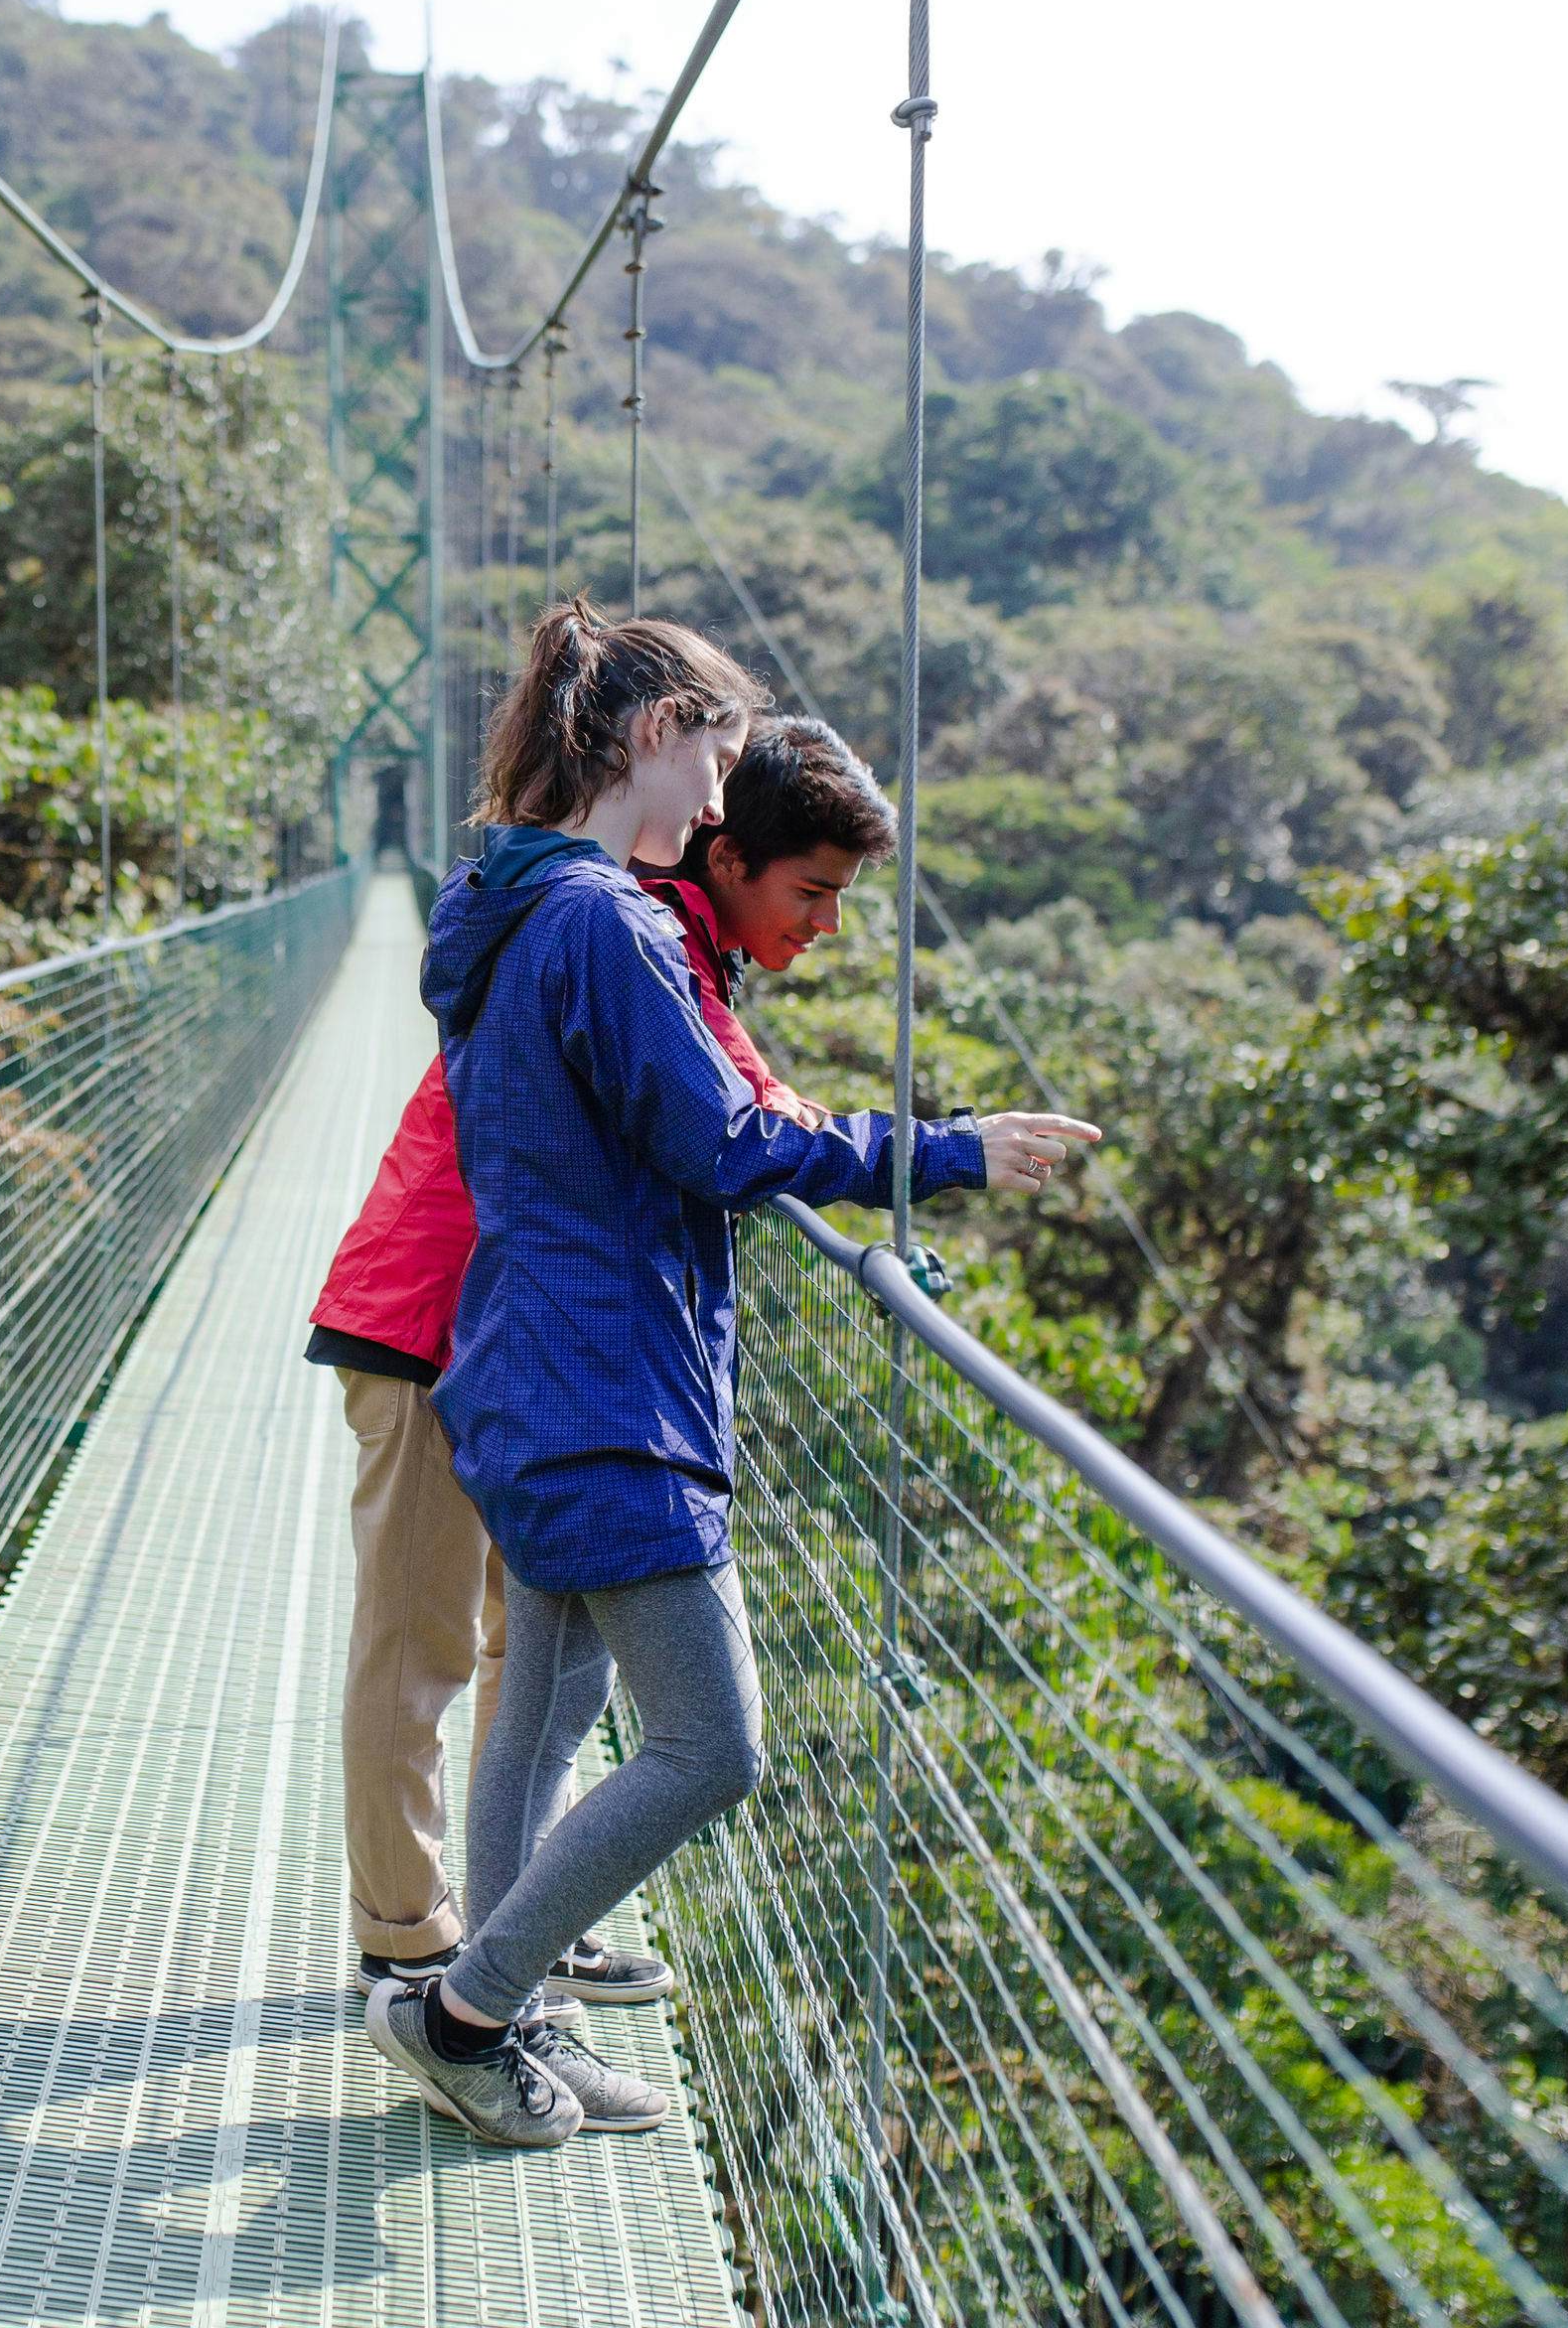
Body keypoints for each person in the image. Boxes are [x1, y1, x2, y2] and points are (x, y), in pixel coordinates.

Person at [358, 601, 1097, 2149]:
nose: (716, 803)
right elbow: (722, 1139)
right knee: (712, 1746)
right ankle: (466, 2009)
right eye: (713, 758)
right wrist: (948, 1152)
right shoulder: (604, 923)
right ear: (648, 734)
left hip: (533, 1365)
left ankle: (512, 2032)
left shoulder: (516, 902)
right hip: (606, 1387)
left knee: (547, 1724)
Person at [305, 732, 871, 2020]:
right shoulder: (625, 923)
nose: (712, 796)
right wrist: (908, 1153)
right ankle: (414, 1946)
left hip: (523, 1330)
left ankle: (515, 1939)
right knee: (424, 1643)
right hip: (431, 1313)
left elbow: (741, 1097)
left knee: (537, 1660)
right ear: (717, 842)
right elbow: (740, 1118)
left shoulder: (649, 928)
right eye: (811, 891)